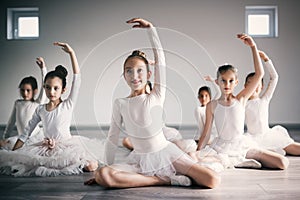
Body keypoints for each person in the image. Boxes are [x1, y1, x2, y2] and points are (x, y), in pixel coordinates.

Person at [84, 18, 220, 189]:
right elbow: (112, 138)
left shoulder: (156, 95)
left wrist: (151, 30)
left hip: (166, 154)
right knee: (103, 175)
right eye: (129, 71)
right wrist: (107, 167)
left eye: (139, 71)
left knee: (212, 180)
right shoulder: (120, 103)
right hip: (139, 160)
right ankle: (163, 179)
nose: (135, 76)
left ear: (149, 74)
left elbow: (161, 61)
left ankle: (166, 175)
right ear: (124, 75)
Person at [189, 33, 289, 171]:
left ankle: (238, 160)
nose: (227, 84)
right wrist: (199, 151)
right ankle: (232, 161)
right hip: (221, 148)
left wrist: (253, 47)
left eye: (231, 81)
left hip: (241, 146)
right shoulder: (212, 105)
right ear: (217, 81)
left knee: (282, 162)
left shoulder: (241, 99)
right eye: (223, 80)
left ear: (236, 82)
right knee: (193, 156)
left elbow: (260, 74)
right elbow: (206, 134)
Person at [0, 42, 101, 176]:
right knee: (22, 162)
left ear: (63, 90)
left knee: (91, 166)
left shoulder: (67, 104)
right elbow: (26, 133)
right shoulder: (40, 109)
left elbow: (77, 80)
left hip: (67, 146)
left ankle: (76, 162)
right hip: (46, 148)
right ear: (44, 88)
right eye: (47, 87)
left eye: (55, 88)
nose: (51, 92)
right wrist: (13, 154)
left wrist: (72, 53)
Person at [244, 50, 300, 156]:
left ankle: (274, 150)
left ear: (262, 87)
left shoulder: (264, 99)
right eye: (250, 84)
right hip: (252, 139)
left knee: (293, 147)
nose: (253, 87)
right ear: (245, 86)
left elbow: (274, 78)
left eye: (256, 84)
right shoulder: (243, 104)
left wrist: (266, 59)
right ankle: (272, 152)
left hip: (268, 135)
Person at [122, 81, 196, 153]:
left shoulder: (154, 101)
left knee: (181, 146)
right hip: (146, 138)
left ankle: (191, 145)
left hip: (164, 134)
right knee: (126, 141)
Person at [0, 58, 47, 150]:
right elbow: (11, 122)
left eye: (28, 90)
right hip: (21, 138)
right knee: (3, 144)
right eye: (22, 90)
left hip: (35, 137)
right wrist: (5, 137)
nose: (25, 93)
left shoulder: (37, 103)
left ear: (35, 91)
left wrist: (43, 69)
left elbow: (44, 87)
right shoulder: (18, 103)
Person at [194, 75, 220, 144]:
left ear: (210, 97)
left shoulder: (212, 105)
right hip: (208, 137)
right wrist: (203, 139)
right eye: (201, 96)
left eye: (206, 96)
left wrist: (212, 80)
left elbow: (219, 92)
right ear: (198, 98)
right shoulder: (198, 110)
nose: (204, 98)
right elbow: (201, 127)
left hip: (217, 135)